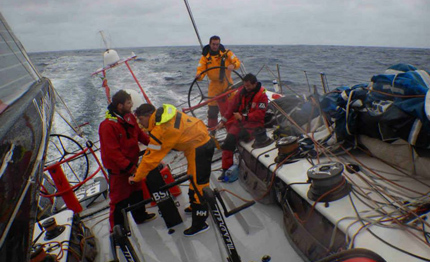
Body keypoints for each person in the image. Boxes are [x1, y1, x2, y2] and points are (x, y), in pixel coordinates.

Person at [130, 103, 215, 236]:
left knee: (199, 184)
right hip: (198, 144)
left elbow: (150, 158)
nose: (140, 123)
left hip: (200, 148)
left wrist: (136, 177)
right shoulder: (165, 114)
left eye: (140, 119)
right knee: (192, 177)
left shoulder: (161, 130)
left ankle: (200, 222)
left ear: (148, 116)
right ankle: (194, 205)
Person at [98, 90, 156, 232]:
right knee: (119, 201)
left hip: (132, 165)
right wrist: (131, 168)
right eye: (129, 103)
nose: (131, 105)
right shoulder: (107, 126)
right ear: (120, 106)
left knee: (137, 192)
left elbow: (141, 135)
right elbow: (113, 153)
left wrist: (158, 146)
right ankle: (118, 230)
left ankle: (140, 216)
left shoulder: (129, 117)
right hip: (119, 171)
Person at [216, 73, 269, 181]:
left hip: (254, 125)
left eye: (248, 86)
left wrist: (243, 117)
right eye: (245, 86)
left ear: (255, 84)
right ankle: (226, 169)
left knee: (242, 137)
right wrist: (223, 121)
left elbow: (260, 114)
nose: (246, 88)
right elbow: (232, 107)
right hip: (240, 123)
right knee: (228, 141)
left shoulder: (262, 96)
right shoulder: (241, 92)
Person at [195, 35, 241, 130]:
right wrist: (199, 76)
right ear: (210, 44)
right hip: (214, 87)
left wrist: (233, 65)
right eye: (213, 44)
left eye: (217, 44)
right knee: (212, 112)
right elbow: (201, 70)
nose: (215, 46)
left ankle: (234, 128)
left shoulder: (227, 53)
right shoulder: (205, 57)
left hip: (227, 84)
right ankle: (212, 132)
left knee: (233, 107)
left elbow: (237, 62)